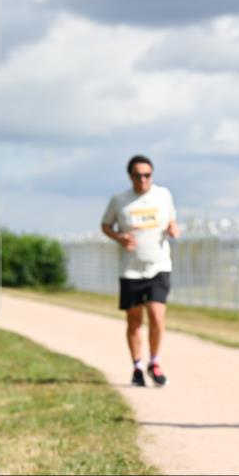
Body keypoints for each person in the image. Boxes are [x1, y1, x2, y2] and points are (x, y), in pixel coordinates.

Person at [101, 155, 180, 387]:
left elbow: (172, 221)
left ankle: (154, 362)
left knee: (156, 315)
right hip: (131, 269)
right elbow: (106, 225)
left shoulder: (163, 195)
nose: (143, 179)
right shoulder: (119, 201)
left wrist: (174, 228)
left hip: (159, 265)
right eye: (138, 175)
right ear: (131, 176)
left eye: (147, 175)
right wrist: (119, 237)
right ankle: (137, 366)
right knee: (134, 320)